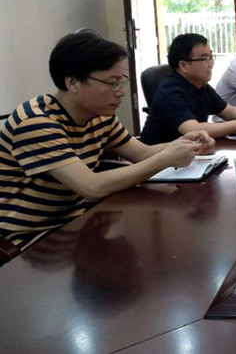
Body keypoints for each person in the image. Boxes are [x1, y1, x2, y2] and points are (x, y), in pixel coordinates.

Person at [0, 32, 214, 253]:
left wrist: (185, 143)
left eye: (121, 81)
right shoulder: (36, 123)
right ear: (72, 82)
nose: (121, 92)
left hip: (77, 224)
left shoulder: (99, 116)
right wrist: (166, 159)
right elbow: (91, 187)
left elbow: (143, 153)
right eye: (112, 83)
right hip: (31, 245)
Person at [140, 33, 236, 145]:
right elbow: (193, 129)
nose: (211, 63)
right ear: (184, 65)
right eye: (205, 58)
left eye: (211, 56)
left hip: (189, 154)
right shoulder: (171, 91)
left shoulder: (200, 85)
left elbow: (229, 112)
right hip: (160, 162)